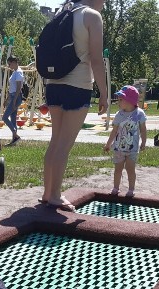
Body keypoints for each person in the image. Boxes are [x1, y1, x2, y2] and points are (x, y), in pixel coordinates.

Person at [40, 0, 108, 212]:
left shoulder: (65, 11)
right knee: (64, 144)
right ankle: (56, 196)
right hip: (77, 86)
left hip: (53, 84)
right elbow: (97, 60)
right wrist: (104, 94)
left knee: (55, 141)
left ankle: (47, 192)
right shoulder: (92, 17)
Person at [104, 85, 147, 197]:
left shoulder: (139, 114)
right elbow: (114, 131)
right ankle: (116, 188)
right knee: (118, 169)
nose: (118, 102)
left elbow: (143, 129)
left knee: (130, 169)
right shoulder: (119, 114)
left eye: (120, 99)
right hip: (119, 148)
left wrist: (144, 142)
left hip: (132, 149)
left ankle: (131, 189)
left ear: (129, 101)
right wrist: (108, 144)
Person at [3, 56, 24, 145]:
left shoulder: (19, 72)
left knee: (4, 117)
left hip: (16, 96)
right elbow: (11, 88)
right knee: (13, 119)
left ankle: (15, 135)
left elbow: (18, 88)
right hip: (12, 96)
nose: (9, 66)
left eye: (10, 63)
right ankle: (14, 141)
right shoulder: (14, 72)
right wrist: (7, 99)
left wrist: (14, 100)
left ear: (14, 62)